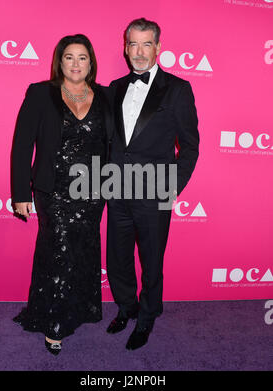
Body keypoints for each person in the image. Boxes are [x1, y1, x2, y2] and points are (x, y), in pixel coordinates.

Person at [11, 34, 112, 355]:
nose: (76, 64)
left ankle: (80, 308)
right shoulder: (41, 93)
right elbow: (22, 145)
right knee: (59, 247)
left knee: (83, 248)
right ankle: (54, 321)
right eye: (69, 57)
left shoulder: (107, 96)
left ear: (91, 62)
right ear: (60, 61)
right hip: (52, 188)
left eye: (82, 57)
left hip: (94, 189)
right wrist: (19, 192)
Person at [106, 18, 200, 350]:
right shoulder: (115, 87)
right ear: (125, 47)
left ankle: (146, 317)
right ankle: (126, 307)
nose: (139, 51)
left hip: (153, 193)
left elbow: (189, 146)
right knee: (117, 259)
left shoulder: (177, 89)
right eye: (133, 44)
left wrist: (170, 187)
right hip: (116, 190)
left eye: (147, 44)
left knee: (151, 261)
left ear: (158, 47)